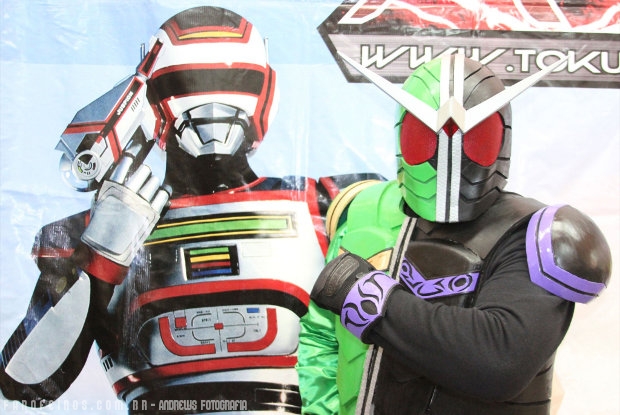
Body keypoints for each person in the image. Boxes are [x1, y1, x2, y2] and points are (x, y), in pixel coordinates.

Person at [0, 7, 380, 414]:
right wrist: (100, 257)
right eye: (185, 82)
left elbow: (399, 342)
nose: (211, 103)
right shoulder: (88, 234)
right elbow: (28, 383)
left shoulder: (333, 204)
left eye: (234, 80)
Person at [296, 54, 612, 415]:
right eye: (425, 136)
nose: (448, 154)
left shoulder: (540, 236)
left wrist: (368, 298)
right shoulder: (366, 210)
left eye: (475, 137)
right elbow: (322, 337)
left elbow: (499, 360)